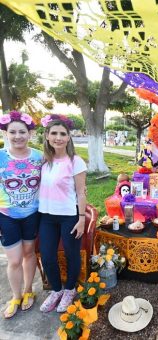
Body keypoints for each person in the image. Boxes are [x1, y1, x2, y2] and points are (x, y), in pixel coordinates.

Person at [38, 114, 87, 313]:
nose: (58, 137)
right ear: (47, 136)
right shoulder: (43, 161)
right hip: (46, 217)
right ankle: (56, 290)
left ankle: (70, 289)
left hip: (69, 216)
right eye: (54, 133)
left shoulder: (75, 161)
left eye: (62, 134)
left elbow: (81, 192)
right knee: (48, 256)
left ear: (68, 137)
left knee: (71, 254)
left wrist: (82, 219)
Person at [0, 111, 42, 319]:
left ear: (30, 133)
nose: (17, 136)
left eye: (22, 132)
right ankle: (15, 296)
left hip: (32, 214)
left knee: (29, 254)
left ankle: (28, 291)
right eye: (13, 132)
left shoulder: (38, 157)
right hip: (6, 215)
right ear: (6, 133)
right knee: (14, 260)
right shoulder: (0, 157)